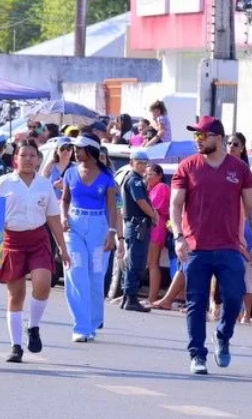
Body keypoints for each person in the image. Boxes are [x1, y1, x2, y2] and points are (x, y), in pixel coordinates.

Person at [171, 116, 252, 375]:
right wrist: (178, 236)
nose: (197, 140)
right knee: (196, 303)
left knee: (234, 298)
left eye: (202, 136)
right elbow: (176, 205)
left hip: (230, 247)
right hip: (195, 247)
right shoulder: (187, 167)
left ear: (218, 138)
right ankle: (197, 355)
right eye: (195, 136)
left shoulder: (239, 168)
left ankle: (223, 335)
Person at [0, 141, 69, 362]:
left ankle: (33, 327)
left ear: (38, 159)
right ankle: (16, 346)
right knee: (16, 294)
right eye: (23, 155)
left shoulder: (44, 185)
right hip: (11, 241)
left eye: (32, 155)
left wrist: (63, 249)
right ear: (15, 158)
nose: (27, 159)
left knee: (42, 284)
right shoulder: (4, 183)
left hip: (38, 239)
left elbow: (53, 217)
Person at [60, 134, 118, 343]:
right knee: (75, 272)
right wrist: (63, 216)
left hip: (98, 228)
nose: (75, 151)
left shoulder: (106, 176)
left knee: (95, 274)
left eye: (80, 148)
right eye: (74, 148)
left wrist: (112, 232)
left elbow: (112, 206)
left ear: (91, 150)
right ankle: (81, 326)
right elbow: (64, 200)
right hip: (74, 226)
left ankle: (93, 322)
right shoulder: (70, 173)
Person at [118, 150, 158, 312]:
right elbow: (140, 201)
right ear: (132, 162)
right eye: (139, 162)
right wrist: (153, 215)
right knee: (137, 263)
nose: (142, 166)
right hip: (137, 226)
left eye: (144, 163)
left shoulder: (135, 179)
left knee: (134, 262)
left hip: (135, 226)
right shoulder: (134, 180)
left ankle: (128, 297)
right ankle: (131, 298)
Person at [145, 163, 171, 306]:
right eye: (146, 174)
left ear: (159, 176)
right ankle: (151, 296)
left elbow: (154, 207)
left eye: (151, 174)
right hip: (153, 226)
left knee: (153, 263)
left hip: (157, 226)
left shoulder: (161, 187)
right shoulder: (152, 188)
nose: (147, 177)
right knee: (151, 263)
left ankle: (152, 297)